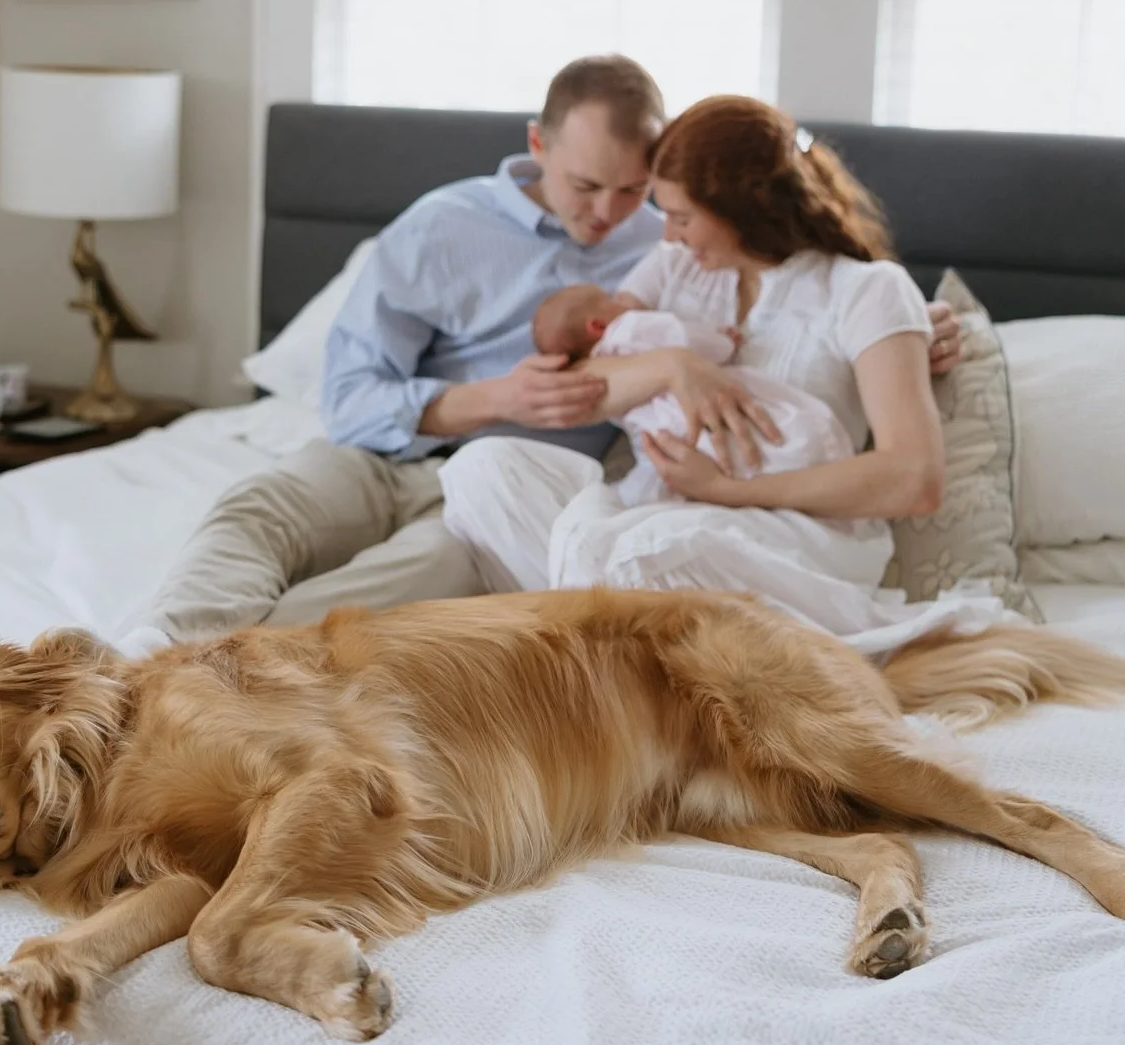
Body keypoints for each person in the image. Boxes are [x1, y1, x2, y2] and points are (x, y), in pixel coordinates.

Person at [123, 68, 962, 652]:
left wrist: (903, 333)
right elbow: (360, 396)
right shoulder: (457, 229)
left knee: (438, 570)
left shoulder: (774, 265)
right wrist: (661, 370)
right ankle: (145, 652)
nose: (623, 217)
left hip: (653, 504)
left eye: (644, 197)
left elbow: (896, 450)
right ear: (539, 145)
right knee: (278, 507)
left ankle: (220, 673)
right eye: (592, 187)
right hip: (391, 449)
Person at [441, 95, 995, 660]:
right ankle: (625, 657)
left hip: (788, 530)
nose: (670, 235)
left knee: (640, 553)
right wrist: (673, 367)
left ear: (744, 209)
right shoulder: (674, 267)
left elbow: (913, 478)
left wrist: (727, 491)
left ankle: (605, 659)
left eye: (681, 218)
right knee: (483, 471)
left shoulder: (865, 290)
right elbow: (584, 380)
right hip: (654, 503)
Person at [528, 284, 854, 507]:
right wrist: (723, 341)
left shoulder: (601, 369)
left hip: (659, 437)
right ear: (598, 326)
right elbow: (685, 339)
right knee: (758, 437)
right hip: (696, 409)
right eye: (611, 298)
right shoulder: (631, 328)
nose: (623, 301)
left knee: (647, 484)